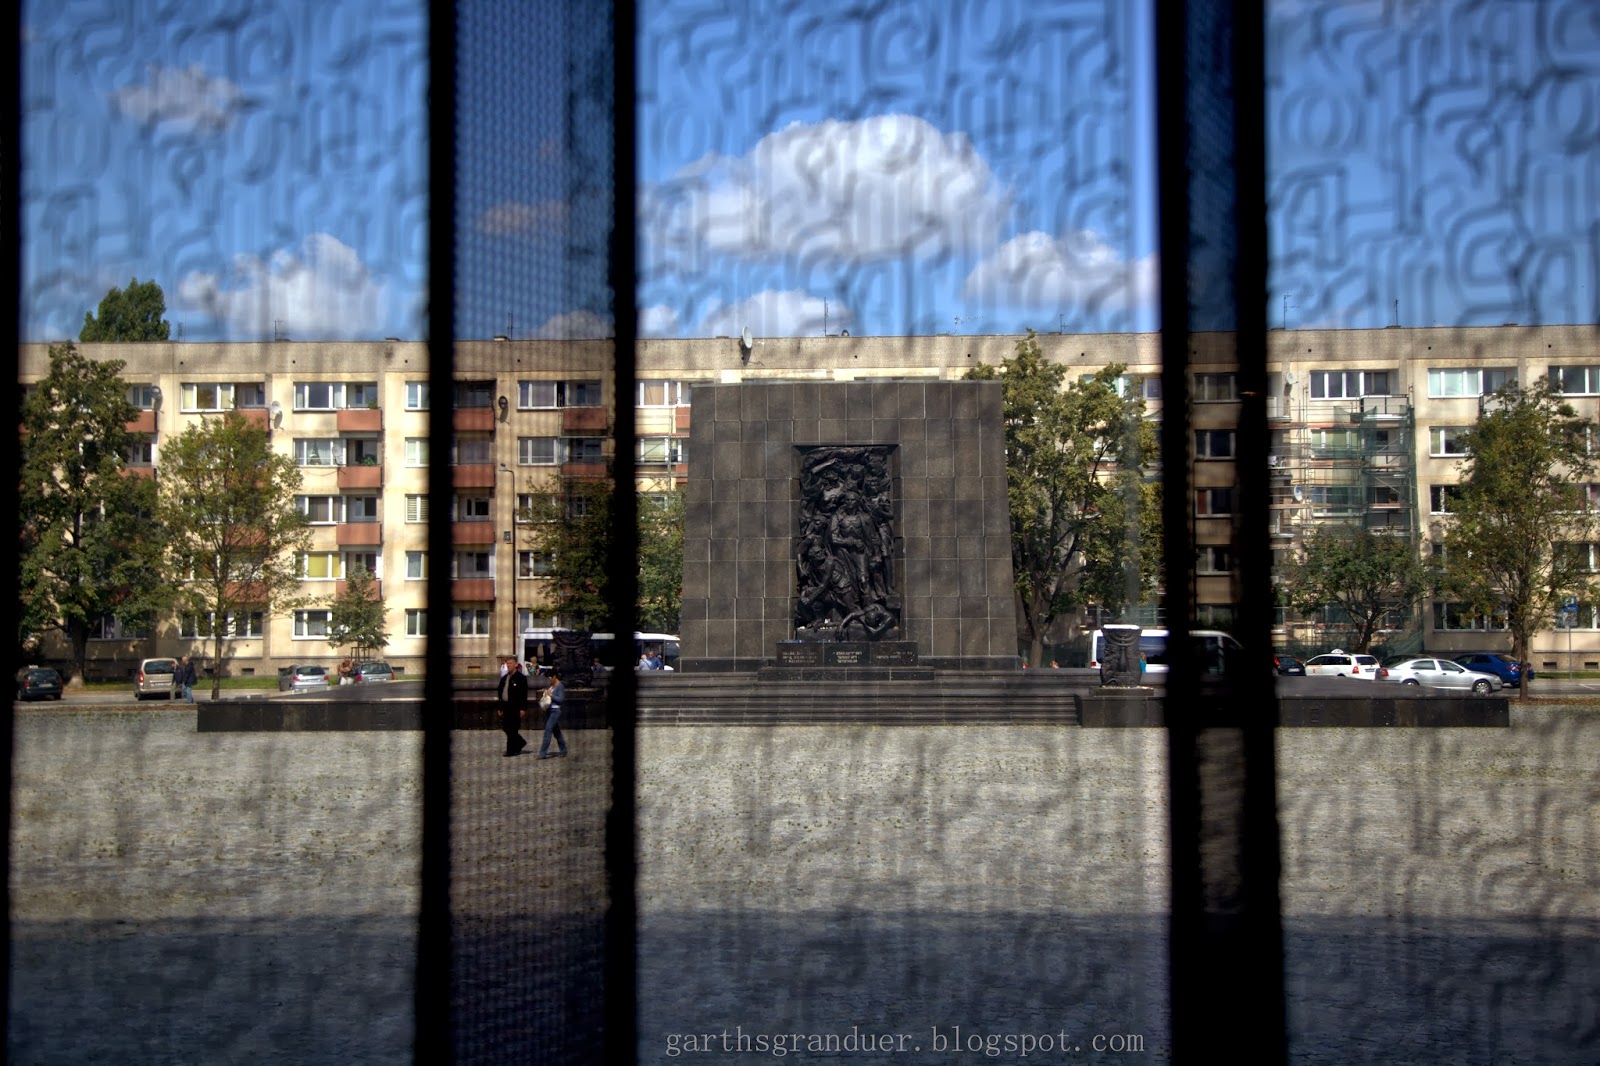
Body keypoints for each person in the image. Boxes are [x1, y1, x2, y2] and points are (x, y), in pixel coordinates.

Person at [500, 659, 528, 757]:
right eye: (507, 663)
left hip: (515, 707)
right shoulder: (504, 678)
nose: (508, 665)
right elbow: (500, 693)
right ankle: (520, 742)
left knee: (513, 728)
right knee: (505, 727)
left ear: (516, 665)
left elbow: (524, 694)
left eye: (510, 663)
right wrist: (500, 707)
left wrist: (523, 708)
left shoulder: (521, 678)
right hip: (506, 706)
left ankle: (510, 750)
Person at [538, 669, 568, 759]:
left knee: (548, 730)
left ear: (555, 676)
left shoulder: (560, 686)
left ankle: (542, 753)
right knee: (556, 732)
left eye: (550, 677)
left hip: (555, 711)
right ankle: (563, 750)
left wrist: (551, 695)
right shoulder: (551, 685)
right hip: (549, 710)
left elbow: (560, 700)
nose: (549, 679)